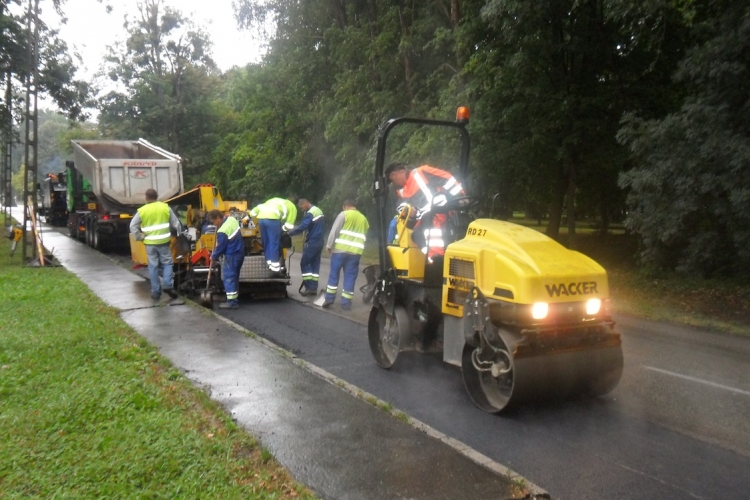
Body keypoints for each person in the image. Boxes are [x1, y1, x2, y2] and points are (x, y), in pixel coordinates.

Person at [384, 162, 465, 261]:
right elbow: (402, 209)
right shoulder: (401, 192)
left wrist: (459, 197)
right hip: (425, 218)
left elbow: (446, 178)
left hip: (442, 210)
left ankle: (437, 258)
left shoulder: (421, 173)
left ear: (394, 175)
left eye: (393, 181)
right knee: (416, 234)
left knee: (429, 223)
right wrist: (410, 213)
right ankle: (431, 259)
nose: (394, 184)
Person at [130, 188, 182, 300]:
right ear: (157, 196)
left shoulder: (142, 210)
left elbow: (132, 226)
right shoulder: (165, 207)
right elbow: (176, 223)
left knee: (153, 266)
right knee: (167, 263)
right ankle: (168, 284)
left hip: (150, 243)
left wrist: (140, 237)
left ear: (146, 197)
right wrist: (181, 234)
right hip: (164, 242)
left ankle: (155, 292)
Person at [322, 199, 369, 311]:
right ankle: (346, 303)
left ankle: (329, 299)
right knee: (350, 277)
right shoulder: (364, 219)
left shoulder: (344, 215)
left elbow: (335, 231)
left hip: (340, 251)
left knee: (334, 274)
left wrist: (329, 245)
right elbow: (365, 232)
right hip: (355, 253)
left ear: (345, 206)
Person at [245, 197, 297, 275]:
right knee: (274, 243)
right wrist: (282, 230)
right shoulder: (292, 207)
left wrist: (247, 217)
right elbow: (289, 225)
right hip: (272, 220)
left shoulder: (274, 200)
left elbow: (257, 208)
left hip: (261, 219)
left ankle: (269, 263)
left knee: (266, 242)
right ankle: (275, 269)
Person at [207, 209, 246, 310]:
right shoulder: (232, 220)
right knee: (234, 277)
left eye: (214, 222)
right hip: (240, 253)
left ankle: (232, 302)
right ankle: (233, 298)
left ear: (218, 218)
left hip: (231, 255)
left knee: (229, 277)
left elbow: (221, 247)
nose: (214, 224)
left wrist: (213, 256)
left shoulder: (222, 231)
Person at [287, 198, 325, 296]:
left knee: (304, 263)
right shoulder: (317, 210)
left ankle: (309, 287)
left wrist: (290, 233)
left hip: (312, 241)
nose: (302, 209)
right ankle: (314, 288)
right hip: (319, 241)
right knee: (314, 265)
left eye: (301, 207)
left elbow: (303, 226)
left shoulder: (311, 213)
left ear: (305, 203)